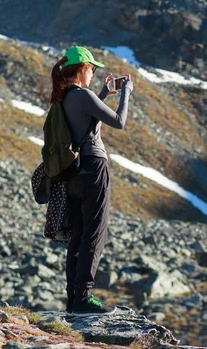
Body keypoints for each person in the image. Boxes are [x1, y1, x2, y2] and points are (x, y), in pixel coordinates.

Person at [49, 46, 134, 316]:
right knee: (94, 234)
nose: (93, 73)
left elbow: (84, 121)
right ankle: (84, 298)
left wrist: (104, 94)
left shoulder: (64, 97)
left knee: (78, 236)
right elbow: (119, 122)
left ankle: (74, 299)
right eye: (92, 69)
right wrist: (127, 92)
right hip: (93, 169)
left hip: (72, 173)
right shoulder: (82, 95)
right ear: (83, 68)